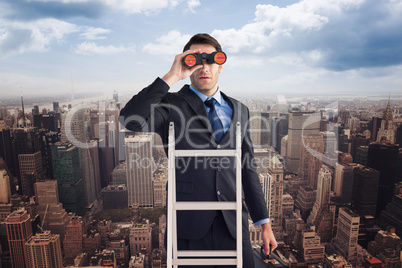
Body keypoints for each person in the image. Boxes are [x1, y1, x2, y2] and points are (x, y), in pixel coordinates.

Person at [120, 33, 277, 267]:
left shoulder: (240, 109)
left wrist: (264, 224)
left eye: (211, 60)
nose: (204, 67)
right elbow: (130, 120)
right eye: (195, 60)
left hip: (232, 224)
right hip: (188, 223)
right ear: (187, 64)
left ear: (220, 65)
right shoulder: (169, 104)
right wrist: (173, 75)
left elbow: (248, 168)